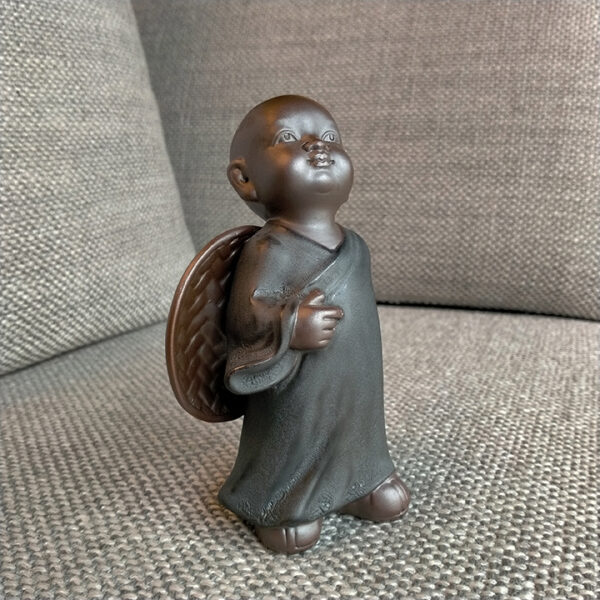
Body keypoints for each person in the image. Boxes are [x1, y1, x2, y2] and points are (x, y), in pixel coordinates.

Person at [219, 95, 410, 554]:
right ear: (245, 180)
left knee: (358, 423)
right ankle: (285, 502)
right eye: (288, 138)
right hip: (300, 383)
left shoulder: (356, 246)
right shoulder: (269, 250)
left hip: (355, 378)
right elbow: (245, 315)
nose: (317, 146)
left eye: (329, 137)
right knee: (298, 429)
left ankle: (363, 479)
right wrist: (290, 327)